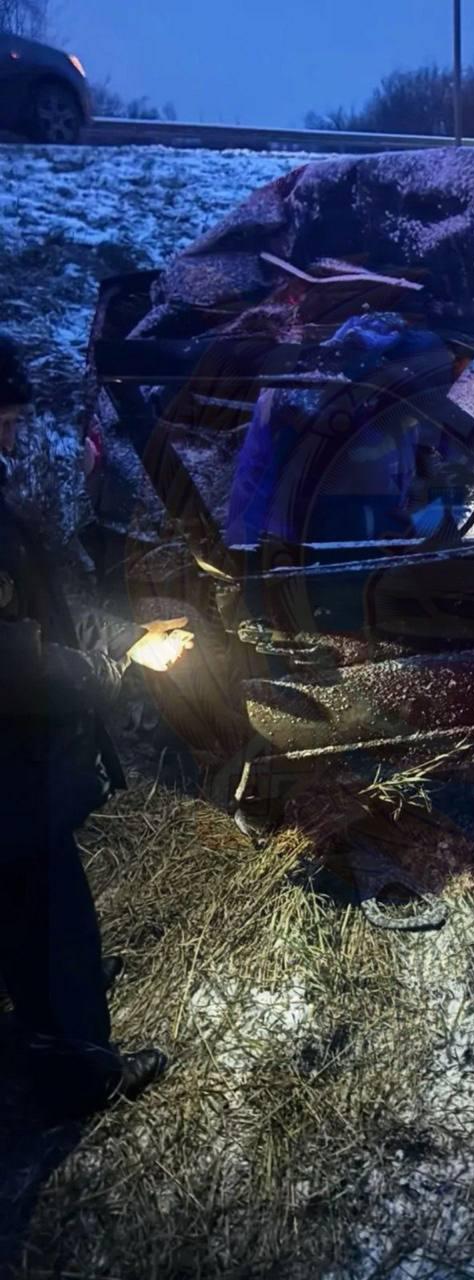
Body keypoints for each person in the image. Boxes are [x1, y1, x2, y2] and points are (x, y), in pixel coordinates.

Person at [0, 333, 193, 1118]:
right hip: (12, 772)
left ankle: (53, 1003)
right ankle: (80, 1072)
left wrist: (125, 639)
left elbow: (44, 616)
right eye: (5, 422)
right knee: (46, 901)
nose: (12, 439)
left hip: (18, 765)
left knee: (31, 908)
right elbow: (15, 666)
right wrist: (115, 672)